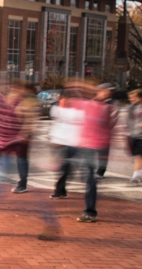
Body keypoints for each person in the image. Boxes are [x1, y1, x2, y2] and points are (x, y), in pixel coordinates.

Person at [73, 83, 116, 223]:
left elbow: (110, 124)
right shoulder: (89, 104)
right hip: (86, 145)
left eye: (110, 92)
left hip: (97, 144)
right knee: (87, 178)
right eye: (106, 91)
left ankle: (90, 211)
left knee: (90, 178)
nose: (108, 93)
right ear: (99, 91)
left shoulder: (110, 107)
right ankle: (89, 210)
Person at [0, 81, 37, 194]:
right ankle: (18, 183)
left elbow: (29, 119)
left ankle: (22, 184)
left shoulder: (26, 102)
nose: (14, 91)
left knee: (21, 160)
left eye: (15, 89)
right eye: (12, 89)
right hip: (10, 135)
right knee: (10, 157)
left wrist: (25, 134)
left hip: (20, 136)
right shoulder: (11, 100)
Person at [49, 88, 84, 199]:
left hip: (73, 142)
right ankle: (62, 190)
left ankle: (59, 190)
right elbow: (57, 123)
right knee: (64, 167)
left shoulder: (78, 111)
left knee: (65, 167)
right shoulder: (57, 108)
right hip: (60, 142)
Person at [94, 83, 118, 179]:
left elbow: (113, 120)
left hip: (104, 133)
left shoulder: (113, 104)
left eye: (110, 91)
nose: (109, 92)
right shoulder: (94, 101)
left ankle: (100, 172)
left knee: (103, 154)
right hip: (92, 132)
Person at [127, 89, 142, 183]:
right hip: (134, 135)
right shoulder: (132, 108)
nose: (131, 99)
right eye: (130, 97)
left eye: (134, 97)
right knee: (136, 156)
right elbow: (129, 121)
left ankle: (136, 175)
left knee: (139, 156)